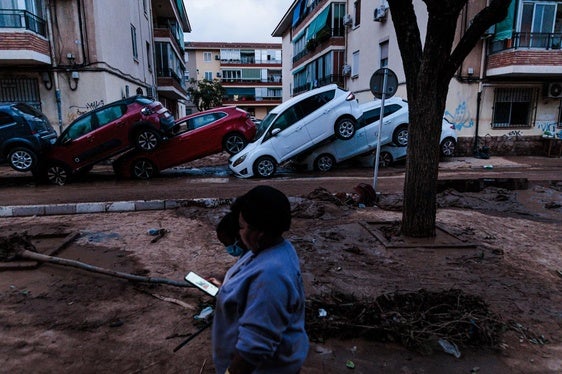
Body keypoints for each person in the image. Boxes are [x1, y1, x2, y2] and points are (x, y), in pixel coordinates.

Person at [212, 185, 309, 374]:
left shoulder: (272, 277)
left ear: (259, 233)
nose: (239, 233)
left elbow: (253, 349)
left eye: (241, 227)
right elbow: (248, 278)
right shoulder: (273, 248)